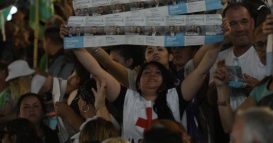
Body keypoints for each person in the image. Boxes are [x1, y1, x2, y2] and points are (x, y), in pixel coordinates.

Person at [70, 40, 222, 142]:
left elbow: (202, 69)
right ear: (138, 81)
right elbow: (96, 69)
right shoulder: (128, 99)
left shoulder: (174, 97)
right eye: (146, 72)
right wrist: (74, 42)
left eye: (157, 73)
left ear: (164, 81)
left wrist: (220, 38)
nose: (152, 75)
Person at [209, 3, 266, 111]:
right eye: (233, 24)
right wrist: (221, 83)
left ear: (252, 23)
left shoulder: (265, 55)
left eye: (244, 22)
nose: (240, 28)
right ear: (225, 27)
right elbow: (211, 100)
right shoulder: (218, 57)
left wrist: (259, 89)